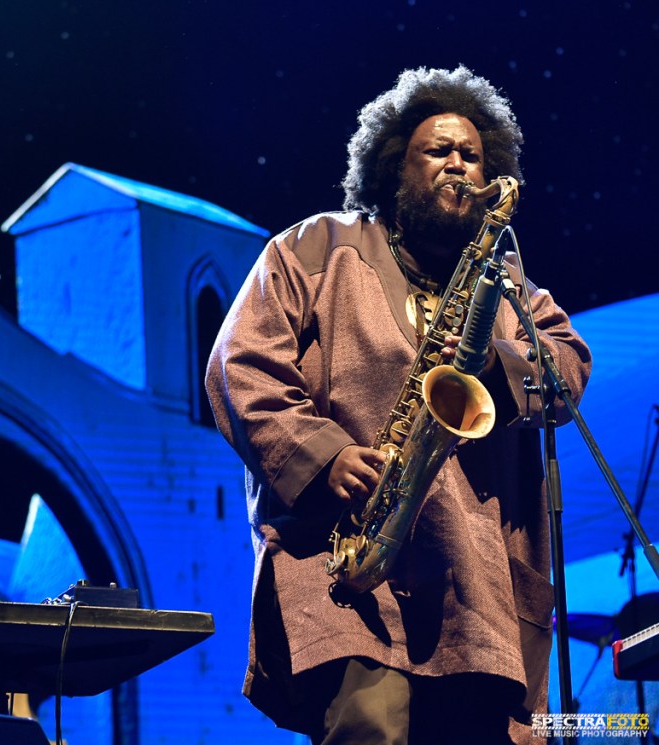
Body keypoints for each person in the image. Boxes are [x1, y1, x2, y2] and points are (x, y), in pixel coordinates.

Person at [205, 65, 592, 744]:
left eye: (472, 155)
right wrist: (323, 456)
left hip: (478, 588)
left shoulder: (508, 286)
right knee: (371, 728)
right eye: (438, 151)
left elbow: (569, 365)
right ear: (393, 166)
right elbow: (241, 366)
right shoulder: (312, 247)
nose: (458, 165)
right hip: (349, 566)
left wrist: (490, 358)